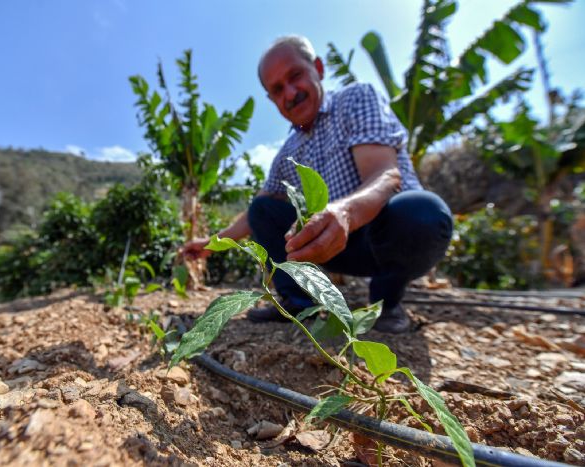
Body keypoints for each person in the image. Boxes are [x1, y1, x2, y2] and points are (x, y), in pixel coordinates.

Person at [182, 35, 452, 334]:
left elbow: (386, 176)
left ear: (319, 69)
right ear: (272, 100)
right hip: (333, 247)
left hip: (384, 234)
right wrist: (209, 244)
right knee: (262, 208)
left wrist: (345, 213)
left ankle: (386, 300)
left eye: (295, 76)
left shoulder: (356, 99)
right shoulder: (289, 153)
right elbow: (253, 215)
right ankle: (297, 300)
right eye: (277, 89)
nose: (290, 92)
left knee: (422, 212)